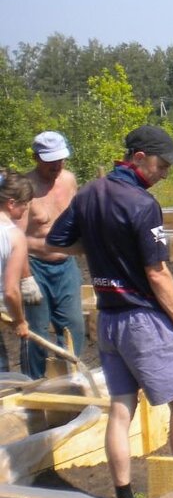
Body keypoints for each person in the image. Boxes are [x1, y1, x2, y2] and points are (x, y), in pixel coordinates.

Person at [46, 126, 173, 498]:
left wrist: (101, 253)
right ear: (137, 158)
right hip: (142, 319)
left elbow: (57, 241)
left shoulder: (88, 193)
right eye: (162, 164)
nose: (165, 173)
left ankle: (123, 496)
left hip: (108, 318)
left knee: (121, 407)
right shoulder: (141, 204)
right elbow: (158, 272)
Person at [21, 131, 86, 378]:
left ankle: (70, 378)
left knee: (73, 326)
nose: (56, 166)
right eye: (50, 161)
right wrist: (25, 277)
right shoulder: (25, 188)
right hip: (34, 266)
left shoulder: (68, 180)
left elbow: (79, 217)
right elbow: (15, 237)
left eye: (60, 160)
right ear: (37, 157)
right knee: (35, 331)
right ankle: (32, 384)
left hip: (66, 265)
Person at [1, 170, 35, 374]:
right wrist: (20, 321)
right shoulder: (14, 236)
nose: (26, 210)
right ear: (11, 203)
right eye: (25, 204)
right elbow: (11, 291)